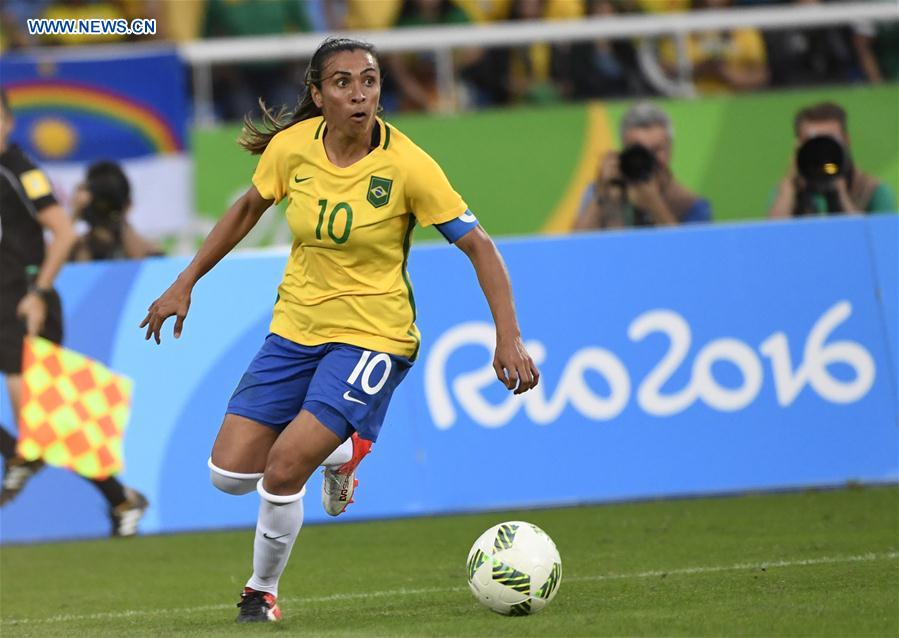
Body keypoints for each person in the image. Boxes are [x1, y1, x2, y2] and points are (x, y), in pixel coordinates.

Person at [140, 37, 540, 623]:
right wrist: (186, 280)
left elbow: (478, 246)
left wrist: (507, 335)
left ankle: (260, 593)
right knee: (228, 476)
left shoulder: (408, 164)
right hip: (295, 327)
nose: (360, 94)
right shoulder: (292, 148)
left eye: (370, 81)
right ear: (318, 94)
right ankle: (344, 454)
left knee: (283, 469)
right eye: (344, 82)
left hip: (375, 334)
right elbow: (248, 208)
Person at [0, 89, 149, 536]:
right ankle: (117, 498)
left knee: (45, 422)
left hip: (24, 301)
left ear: (7, 121)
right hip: (6, 298)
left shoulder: (21, 173)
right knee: (49, 426)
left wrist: (39, 292)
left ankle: (27, 460)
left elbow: (62, 233)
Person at [572, 101, 712, 230]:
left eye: (656, 150)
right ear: (624, 151)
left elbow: (688, 253)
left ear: (670, 150)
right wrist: (602, 196)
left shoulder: (688, 204)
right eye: (639, 151)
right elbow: (575, 248)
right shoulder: (605, 190)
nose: (649, 158)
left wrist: (655, 205)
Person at [768, 101, 896, 218]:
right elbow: (772, 236)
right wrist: (789, 187)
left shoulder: (872, 190)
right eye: (813, 142)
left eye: (830, 141)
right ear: (799, 146)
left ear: (846, 140)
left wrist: (842, 196)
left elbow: (878, 239)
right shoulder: (786, 191)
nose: (822, 151)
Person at [69, 160, 163, 261]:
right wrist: (75, 213)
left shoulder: (143, 247)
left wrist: (119, 216)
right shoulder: (82, 248)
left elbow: (142, 261)